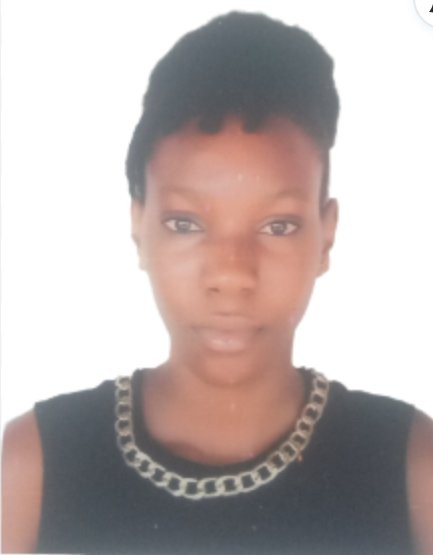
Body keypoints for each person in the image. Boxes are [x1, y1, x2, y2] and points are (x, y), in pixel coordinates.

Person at [2, 11, 433, 555]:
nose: (232, 275)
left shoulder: (410, 467)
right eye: (186, 224)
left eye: (278, 226)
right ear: (139, 227)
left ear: (326, 236)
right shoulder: (34, 466)